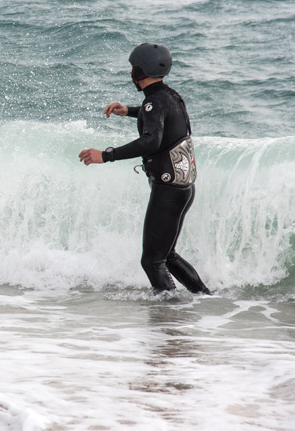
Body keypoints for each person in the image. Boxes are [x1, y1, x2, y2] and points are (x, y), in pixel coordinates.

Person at [78, 43, 211, 295]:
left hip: (167, 191)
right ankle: (204, 298)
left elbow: (151, 140)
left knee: (152, 261)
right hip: (184, 189)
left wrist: (106, 156)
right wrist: (128, 111)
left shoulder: (154, 102)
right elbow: (157, 114)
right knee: (167, 256)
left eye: (132, 68)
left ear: (138, 71)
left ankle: (169, 313)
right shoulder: (170, 96)